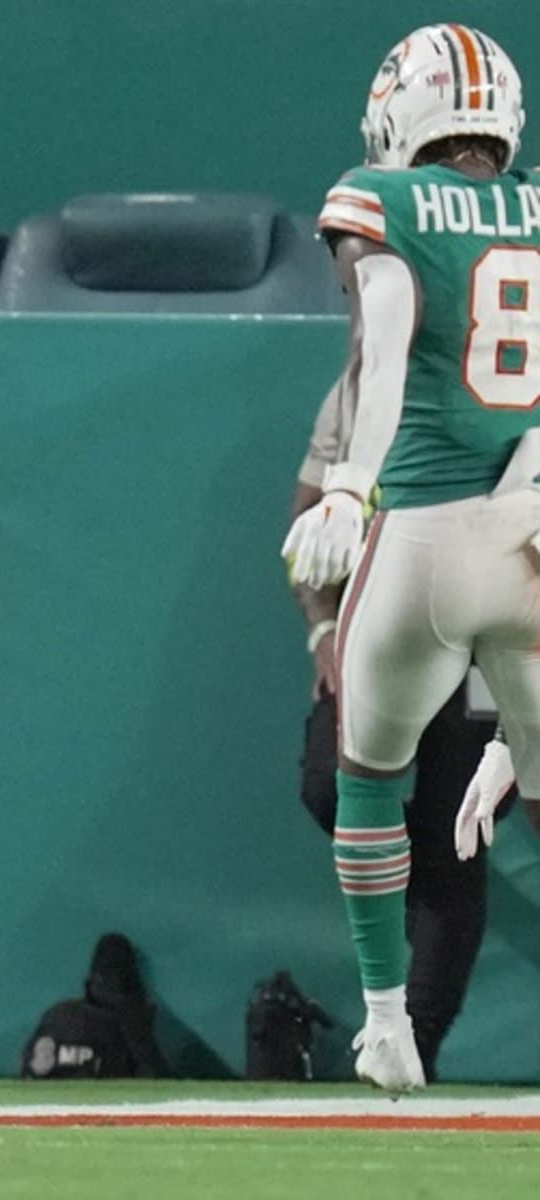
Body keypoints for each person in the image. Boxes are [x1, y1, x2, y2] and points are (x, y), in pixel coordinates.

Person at [282, 22, 540, 1094]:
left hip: (426, 534)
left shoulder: (381, 200)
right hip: (529, 540)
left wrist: (348, 485)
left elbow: (383, 356)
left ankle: (387, 1020)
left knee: (368, 783)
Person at [289, 377, 514, 1081]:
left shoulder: (515, 398)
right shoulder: (366, 388)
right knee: (337, 785)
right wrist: (326, 626)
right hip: (394, 622)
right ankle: (393, 1020)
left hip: (495, 631)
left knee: (461, 832)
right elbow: (310, 526)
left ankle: (415, 1041)